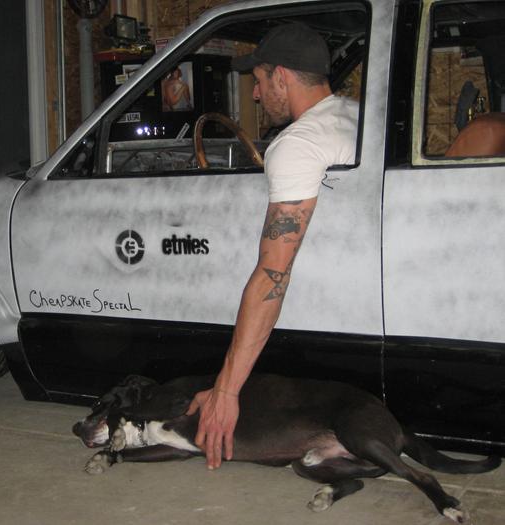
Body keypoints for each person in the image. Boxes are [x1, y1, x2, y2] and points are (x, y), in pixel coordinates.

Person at [185, 22, 359, 469]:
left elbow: (272, 277)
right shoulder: (353, 114)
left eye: (260, 81)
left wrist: (225, 391)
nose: (258, 94)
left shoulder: (298, 144)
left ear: (281, 76)